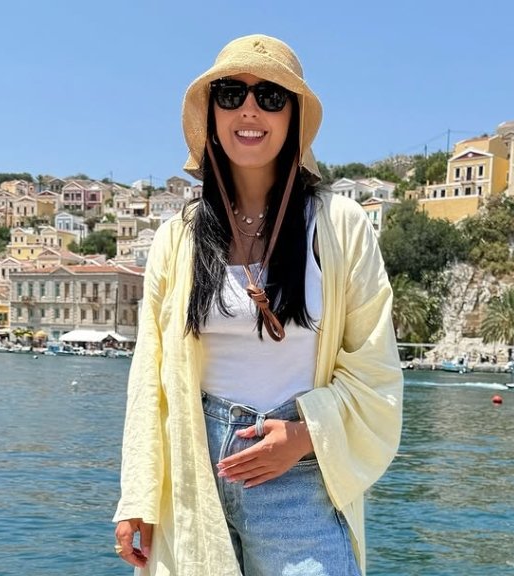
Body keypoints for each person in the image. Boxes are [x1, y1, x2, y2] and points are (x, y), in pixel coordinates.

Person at [113, 34, 403, 575]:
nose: (249, 109)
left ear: (294, 116)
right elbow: (149, 376)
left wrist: (305, 435)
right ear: (212, 114)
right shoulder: (177, 237)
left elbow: (375, 367)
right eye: (231, 93)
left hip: (296, 474)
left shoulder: (340, 225)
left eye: (270, 96)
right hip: (192, 473)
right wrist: (139, 497)